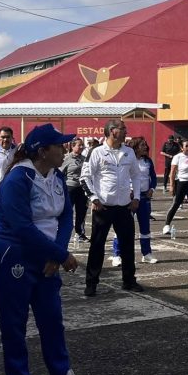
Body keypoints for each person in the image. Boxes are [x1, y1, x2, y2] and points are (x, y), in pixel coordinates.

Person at [0, 123, 87, 375]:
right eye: (59, 146)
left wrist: (57, 254)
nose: (64, 149)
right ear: (43, 151)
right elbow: (21, 227)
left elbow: (66, 216)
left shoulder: (56, 175)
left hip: (47, 257)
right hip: (15, 255)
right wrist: (60, 254)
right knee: (14, 323)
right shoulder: (18, 179)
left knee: (51, 319)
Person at [82, 119, 144, 296]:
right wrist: (94, 198)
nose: (126, 131)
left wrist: (137, 197)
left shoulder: (129, 152)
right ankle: (91, 283)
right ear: (112, 131)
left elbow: (136, 176)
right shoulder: (97, 152)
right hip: (103, 207)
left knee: (128, 246)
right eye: (123, 129)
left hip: (124, 207)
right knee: (97, 246)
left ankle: (129, 280)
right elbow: (85, 177)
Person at [112, 137, 158, 265]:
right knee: (122, 226)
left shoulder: (148, 161)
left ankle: (146, 254)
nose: (145, 147)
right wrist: (127, 190)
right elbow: (120, 177)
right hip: (128, 198)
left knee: (145, 226)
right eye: (142, 145)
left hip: (144, 198)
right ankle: (117, 254)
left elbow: (153, 177)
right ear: (135, 147)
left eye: (145, 145)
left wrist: (152, 189)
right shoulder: (127, 159)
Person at [61, 138, 88, 241]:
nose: (81, 147)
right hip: (70, 188)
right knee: (67, 211)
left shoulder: (84, 159)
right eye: (79, 145)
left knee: (82, 211)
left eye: (82, 145)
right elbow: (60, 173)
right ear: (72, 146)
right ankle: (64, 232)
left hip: (82, 188)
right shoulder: (66, 158)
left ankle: (80, 232)